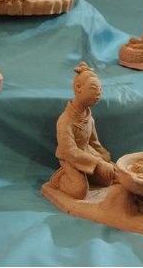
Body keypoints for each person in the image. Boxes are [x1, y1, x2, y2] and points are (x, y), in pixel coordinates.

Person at [49, 62, 117, 199]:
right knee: (79, 191)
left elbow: (94, 143)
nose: (98, 93)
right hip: (69, 158)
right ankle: (60, 178)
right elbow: (69, 151)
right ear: (78, 88)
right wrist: (98, 164)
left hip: (86, 152)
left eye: (100, 89)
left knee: (107, 179)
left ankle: (87, 174)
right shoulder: (65, 120)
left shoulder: (89, 117)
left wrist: (106, 159)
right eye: (93, 88)